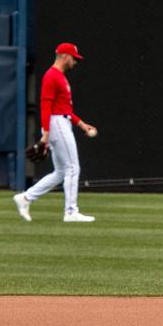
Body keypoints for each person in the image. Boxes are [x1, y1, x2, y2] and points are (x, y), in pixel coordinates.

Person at [13, 42, 97, 222]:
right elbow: (45, 105)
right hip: (56, 123)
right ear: (65, 56)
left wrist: (81, 124)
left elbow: (66, 108)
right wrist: (45, 133)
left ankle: (25, 197)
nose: (75, 62)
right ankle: (71, 211)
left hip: (62, 121)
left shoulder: (60, 77)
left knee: (60, 172)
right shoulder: (52, 76)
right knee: (73, 167)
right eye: (74, 58)